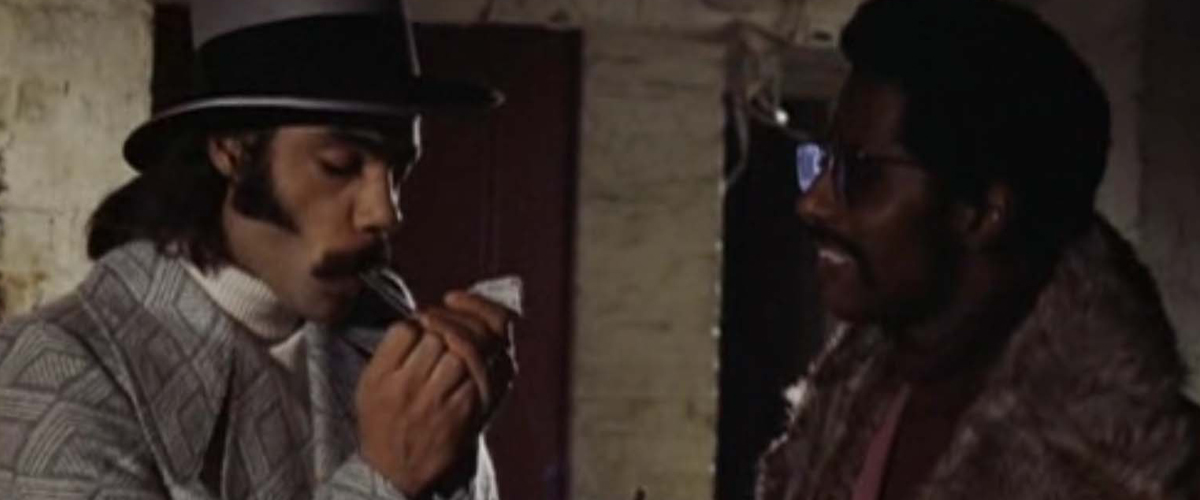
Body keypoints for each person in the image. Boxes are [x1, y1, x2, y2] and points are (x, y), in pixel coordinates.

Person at [0, 0, 519, 498]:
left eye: (399, 170)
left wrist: (455, 451)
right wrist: (387, 478)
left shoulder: (380, 333)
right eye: (340, 165)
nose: (385, 212)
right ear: (231, 149)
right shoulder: (58, 374)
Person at [756, 0, 1200, 499]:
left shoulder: (1146, 477)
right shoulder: (840, 416)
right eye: (823, 161)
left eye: (859, 171)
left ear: (984, 213)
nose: (812, 203)